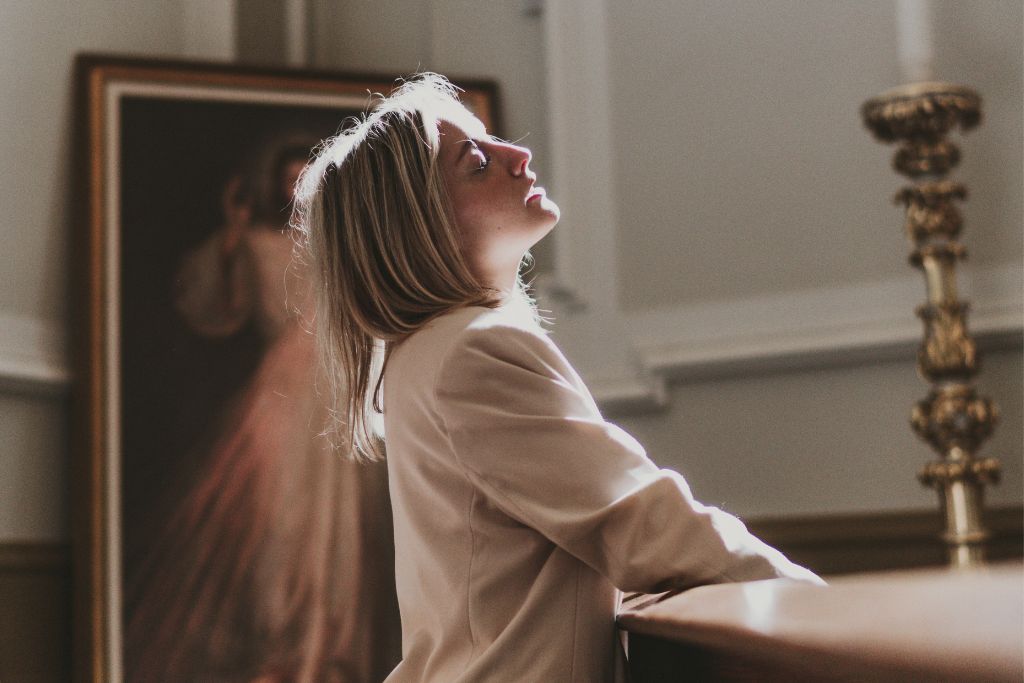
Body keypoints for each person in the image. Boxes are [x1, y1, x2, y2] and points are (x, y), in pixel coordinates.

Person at [292, 74, 822, 683]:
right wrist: (826, 609)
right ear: (420, 225)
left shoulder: (423, 355)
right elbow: (643, 521)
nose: (519, 155)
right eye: (477, 162)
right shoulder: (475, 350)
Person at [124, 136, 400, 682]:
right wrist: (230, 232)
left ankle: (328, 654)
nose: (298, 188)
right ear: (276, 186)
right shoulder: (256, 243)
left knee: (341, 530)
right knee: (278, 521)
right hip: (282, 391)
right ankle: (277, 648)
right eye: (290, 179)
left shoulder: (343, 249)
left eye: (308, 178)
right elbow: (212, 301)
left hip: (341, 392)